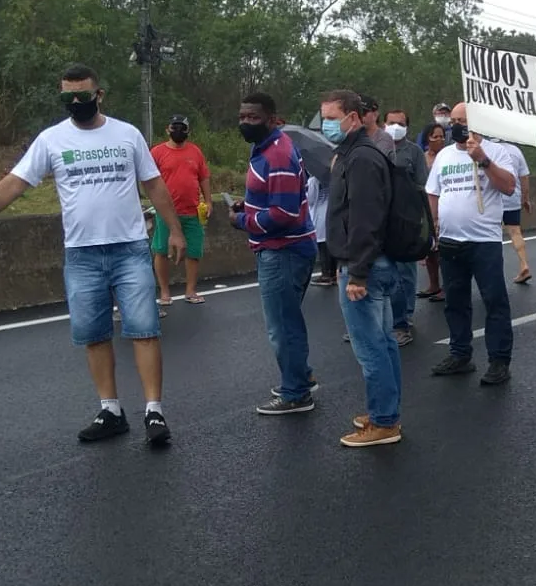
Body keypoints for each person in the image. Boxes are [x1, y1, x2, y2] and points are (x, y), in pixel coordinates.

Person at [0, 63, 184, 447]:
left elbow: (153, 183)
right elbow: (14, 183)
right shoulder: (51, 140)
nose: (76, 102)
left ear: (99, 94)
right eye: (67, 97)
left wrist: (174, 230)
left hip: (129, 249)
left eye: (83, 95)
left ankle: (154, 411)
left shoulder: (127, 135)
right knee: (94, 334)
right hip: (81, 254)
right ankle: (111, 410)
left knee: (143, 330)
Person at [321, 89, 403, 447]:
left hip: (366, 267)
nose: (326, 124)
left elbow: (364, 219)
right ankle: (385, 411)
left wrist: (357, 273)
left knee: (370, 348)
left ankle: (384, 422)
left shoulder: (362, 159)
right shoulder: (351, 155)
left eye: (331, 117)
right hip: (373, 263)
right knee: (383, 344)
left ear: (352, 118)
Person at [231, 93, 318, 416]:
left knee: (283, 326)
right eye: (242, 116)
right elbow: (274, 197)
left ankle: (295, 393)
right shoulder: (266, 149)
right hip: (283, 249)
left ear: (271, 119)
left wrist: (243, 220)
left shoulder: (277, 155)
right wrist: (249, 203)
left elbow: (284, 212)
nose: (245, 123)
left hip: (283, 251)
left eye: (253, 117)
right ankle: (301, 376)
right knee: (287, 318)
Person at [424, 102, 517, 386]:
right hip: (451, 240)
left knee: (494, 301)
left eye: (461, 120)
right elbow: (433, 192)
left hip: (483, 241)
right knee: (455, 302)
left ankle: (499, 360)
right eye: (452, 121)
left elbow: (509, 186)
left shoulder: (497, 151)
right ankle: (460, 354)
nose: (455, 126)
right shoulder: (445, 156)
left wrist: (484, 160)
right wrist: (434, 228)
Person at [149, 114, 212, 307]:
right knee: (161, 250)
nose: (178, 131)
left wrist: (208, 201)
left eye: (182, 128)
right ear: (167, 129)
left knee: (193, 251)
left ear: (188, 131)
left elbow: (204, 177)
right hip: (166, 212)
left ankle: (190, 290)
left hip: (192, 210)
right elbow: (149, 179)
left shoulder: (195, 152)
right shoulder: (157, 152)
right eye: (174, 127)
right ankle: (165, 293)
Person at [385, 108, 428, 346]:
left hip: (408, 219)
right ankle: (388, 316)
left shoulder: (414, 152)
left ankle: (407, 314)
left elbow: (423, 185)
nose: (395, 127)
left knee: (406, 271)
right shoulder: (376, 147)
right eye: (391, 122)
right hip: (383, 217)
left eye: (400, 123)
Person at [415, 121, 447, 302]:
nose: (439, 140)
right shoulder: (422, 158)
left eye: (442, 136)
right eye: (435, 136)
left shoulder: (447, 156)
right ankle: (433, 284)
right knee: (430, 250)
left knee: (443, 251)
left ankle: (447, 286)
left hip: (444, 207)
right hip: (425, 208)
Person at [497, 139, 533, 284]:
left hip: (493, 199)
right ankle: (524, 264)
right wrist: (525, 198)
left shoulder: (487, 149)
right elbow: (524, 177)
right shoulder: (515, 151)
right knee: (515, 232)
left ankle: (493, 272)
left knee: (492, 236)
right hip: (512, 197)